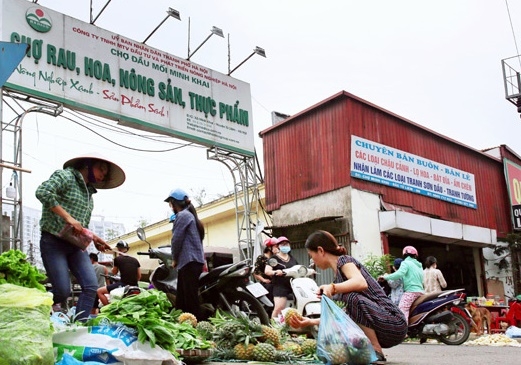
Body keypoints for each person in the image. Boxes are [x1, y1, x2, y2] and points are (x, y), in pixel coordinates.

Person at [289, 231, 406, 364]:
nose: (312, 262)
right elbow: (347, 315)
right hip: (383, 328)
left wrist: (332, 288)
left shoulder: (344, 260)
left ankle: (375, 349)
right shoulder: (339, 277)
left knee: (351, 296)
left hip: (393, 322)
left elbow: (361, 283)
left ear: (320, 250)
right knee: (350, 301)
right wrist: (310, 322)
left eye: (311, 256)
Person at [36, 154, 125, 321]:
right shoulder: (66, 176)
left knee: (91, 286)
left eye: (105, 174)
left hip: (76, 246)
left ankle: (79, 327)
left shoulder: (89, 195)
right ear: (88, 165)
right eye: (101, 169)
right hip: (54, 242)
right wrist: (68, 217)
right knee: (62, 291)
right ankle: (31, 304)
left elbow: (80, 226)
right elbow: (43, 192)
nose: (102, 175)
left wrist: (95, 238)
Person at [165, 188, 206, 319]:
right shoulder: (191, 216)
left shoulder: (182, 216)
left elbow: (176, 240)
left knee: (190, 299)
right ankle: (182, 322)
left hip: (188, 261)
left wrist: (174, 259)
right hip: (193, 261)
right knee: (182, 298)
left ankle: (196, 325)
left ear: (173, 203)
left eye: (170, 204)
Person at [381, 246, 424, 323]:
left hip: (411, 291)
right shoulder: (419, 265)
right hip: (420, 291)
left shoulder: (405, 263)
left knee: (402, 309)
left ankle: (403, 332)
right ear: (415, 255)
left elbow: (399, 274)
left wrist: (386, 277)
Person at [97, 240, 141, 306]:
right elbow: (139, 276)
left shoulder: (118, 259)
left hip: (123, 284)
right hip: (135, 286)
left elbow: (114, 272)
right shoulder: (135, 260)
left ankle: (109, 308)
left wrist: (112, 269)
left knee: (99, 291)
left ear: (118, 249)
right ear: (127, 249)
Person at [264, 236, 299, 321]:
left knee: (296, 308)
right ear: (278, 246)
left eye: (287, 244)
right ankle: (273, 327)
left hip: (293, 285)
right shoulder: (274, 259)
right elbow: (267, 271)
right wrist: (275, 272)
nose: (285, 246)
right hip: (280, 286)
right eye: (283, 244)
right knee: (279, 308)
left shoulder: (292, 259)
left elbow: (298, 268)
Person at [253, 238, 276, 309]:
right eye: (275, 246)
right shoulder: (262, 258)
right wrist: (263, 280)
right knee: (270, 304)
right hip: (268, 285)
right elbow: (255, 272)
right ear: (269, 247)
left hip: (276, 283)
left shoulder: (275, 258)